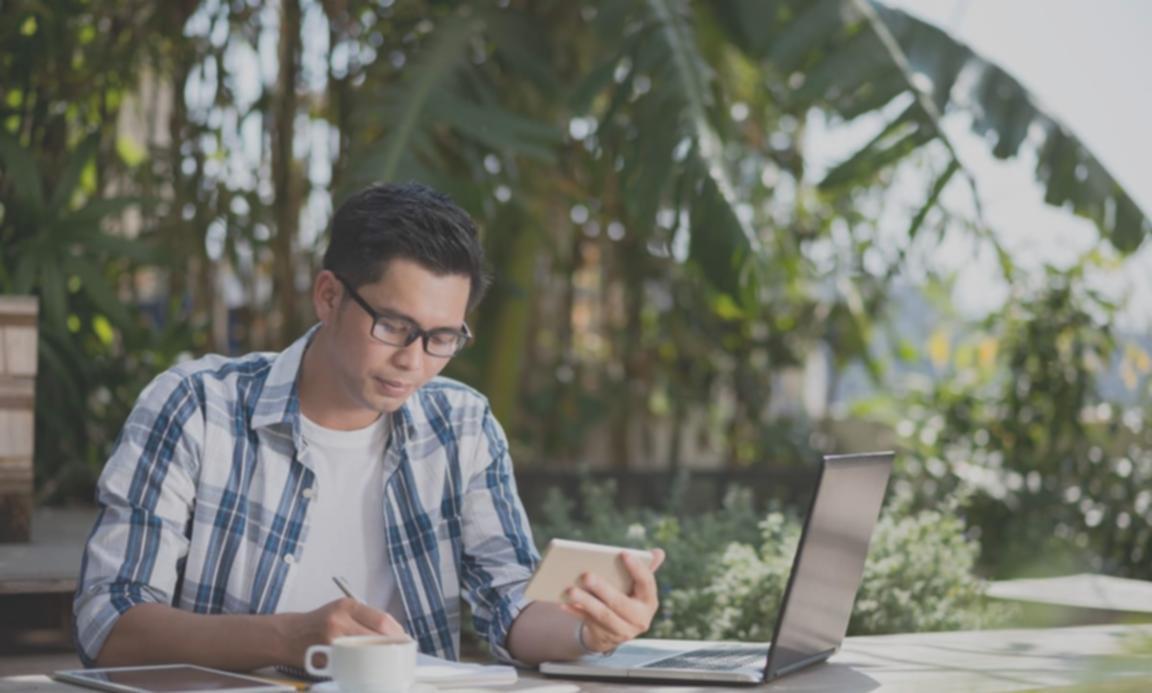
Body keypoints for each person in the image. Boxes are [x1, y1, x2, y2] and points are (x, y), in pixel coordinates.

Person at [74, 182, 665, 671]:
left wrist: (589, 631)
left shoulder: (461, 426)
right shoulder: (196, 408)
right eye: (393, 325)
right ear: (329, 297)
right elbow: (110, 621)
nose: (414, 360)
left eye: (442, 339)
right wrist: (286, 639)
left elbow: (507, 605)